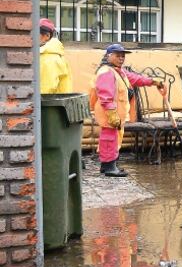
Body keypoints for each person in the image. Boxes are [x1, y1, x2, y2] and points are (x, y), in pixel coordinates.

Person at [89, 44, 164, 177]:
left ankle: (108, 166)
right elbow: (105, 95)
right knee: (109, 139)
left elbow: (136, 79)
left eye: (123, 56)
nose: (121, 58)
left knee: (112, 138)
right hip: (109, 112)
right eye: (118, 55)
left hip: (114, 113)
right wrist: (111, 113)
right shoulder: (106, 72)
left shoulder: (119, 72)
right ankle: (110, 167)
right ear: (108, 56)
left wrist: (153, 82)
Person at [39, 18, 73, 94]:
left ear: (47, 36)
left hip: (49, 104)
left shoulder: (49, 58)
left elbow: (45, 89)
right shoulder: (54, 54)